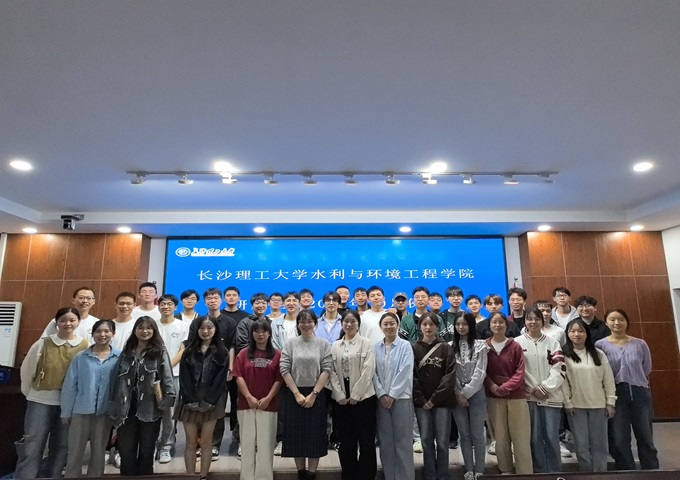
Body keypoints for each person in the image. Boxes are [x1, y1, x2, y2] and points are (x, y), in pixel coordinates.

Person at [16, 307, 89, 479]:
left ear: (78, 322)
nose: (67, 323)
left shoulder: (85, 346)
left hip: (69, 404)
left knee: (62, 445)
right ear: (56, 323)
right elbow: (27, 371)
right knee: (33, 442)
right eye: (63, 320)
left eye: (72, 320)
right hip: (40, 400)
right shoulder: (42, 344)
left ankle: (52, 476)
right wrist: (31, 394)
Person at [109, 316, 176, 476]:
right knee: (126, 452)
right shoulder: (126, 352)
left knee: (147, 451)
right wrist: (112, 405)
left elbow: (167, 377)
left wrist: (168, 399)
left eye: (148, 328)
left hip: (150, 408)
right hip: (126, 409)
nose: (144, 331)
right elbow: (115, 380)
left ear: (154, 331)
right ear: (135, 331)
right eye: (140, 328)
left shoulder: (160, 352)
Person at [595, 309, 659, 470]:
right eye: (612, 319)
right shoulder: (600, 345)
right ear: (606, 322)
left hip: (639, 392)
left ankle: (652, 471)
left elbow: (646, 367)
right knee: (620, 438)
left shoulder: (640, 344)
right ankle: (627, 471)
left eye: (621, 319)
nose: (617, 322)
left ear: (627, 321)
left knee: (645, 436)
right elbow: (600, 372)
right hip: (615, 394)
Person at [61, 319, 120, 478]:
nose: (102, 334)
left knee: (98, 453)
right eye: (98, 331)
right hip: (80, 411)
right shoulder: (81, 357)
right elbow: (70, 385)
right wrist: (66, 412)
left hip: (105, 413)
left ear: (113, 334)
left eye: (106, 331)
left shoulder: (119, 357)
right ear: (93, 334)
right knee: (75, 452)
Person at [280, 309, 332, 480]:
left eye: (309, 321)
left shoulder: (323, 344)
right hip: (294, 394)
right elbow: (284, 368)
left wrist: (314, 394)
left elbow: (327, 369)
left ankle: (311, 474)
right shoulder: (290, 343)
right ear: (298, 324)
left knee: (314, 437)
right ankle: (301, 473)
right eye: (302, 321)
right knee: (297, 437)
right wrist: (296, 394)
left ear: (315, 323)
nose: (306, 324)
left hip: (316, 394)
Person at [187, 287, 238, 461]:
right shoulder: (198, 321)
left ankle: (214, 444)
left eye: (216, 298)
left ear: (221, 300)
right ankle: (199, 443)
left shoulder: (229, 322)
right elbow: (191, 344)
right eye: (209, 298)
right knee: (200, 407)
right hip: (199, 372)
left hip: (222, 369)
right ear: (205, 301)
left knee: (218, 407)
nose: (213, 301)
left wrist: (230, 367)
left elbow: (232, 346)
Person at [176, 316, 229, 480]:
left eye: (209, 328)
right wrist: (190, 400)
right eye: (202, 328)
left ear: (215, 329)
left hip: (211, 401)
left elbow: (220, 380)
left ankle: (203, 476)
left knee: (206, 442)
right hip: (189, 400)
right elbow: (184, 377)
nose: (205, 331)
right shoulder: (188, 351)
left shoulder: (222, 352)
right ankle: (190, 476)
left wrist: (209, 401)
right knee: (191, 441)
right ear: (196, 330)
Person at [515, 307, 566, 473]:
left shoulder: (553, 343)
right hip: (528, 397)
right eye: (529, 318)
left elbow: (559, 368)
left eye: (536, 318)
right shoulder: (517, 343)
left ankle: (555, 472)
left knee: (552, 436)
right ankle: (539, 471)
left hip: (551, 396)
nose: (533, 322)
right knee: (534, 437)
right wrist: (533, 388)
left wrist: (544, 387)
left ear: (542, 320)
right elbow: (518, 369)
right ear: (524, 321)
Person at [329, 310, 377, 480]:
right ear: (342, 324)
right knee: (346, 442)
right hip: (341, 400)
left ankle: (366, 476)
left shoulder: (366, 343)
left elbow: (368, 370)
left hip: (364, 399)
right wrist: (339, 394)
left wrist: (356, 394)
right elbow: (331, 371)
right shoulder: (335, 345)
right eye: (346, 321)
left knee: (366, 441)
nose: (349, 325)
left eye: (353, 321)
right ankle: (349, 475)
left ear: (358, 324)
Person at [562, 318, 616, 472]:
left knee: (600, 444)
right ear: (567, 334)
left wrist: (610, 402)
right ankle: (586, 474)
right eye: (573, 331)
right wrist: (567, 402)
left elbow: (608, 379)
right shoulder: (564, 355)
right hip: (576, 407)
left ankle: (600, 473)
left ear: (587, 333)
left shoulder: (598, 354)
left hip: (599, 406)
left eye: (580, 331)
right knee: (581, 445)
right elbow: (563, 382)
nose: (576, 334)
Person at [233, 319, 283, 480]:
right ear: (252, 334)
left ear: (269, 334)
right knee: (247, 444)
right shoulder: (243, 354)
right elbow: (238, 376)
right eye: (257, 331)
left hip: (269, 405)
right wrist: (248, 396)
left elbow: (279, 379)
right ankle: (247, 477)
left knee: (266, 445)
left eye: (264, 331)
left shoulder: (277, 354)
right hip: (246, 404)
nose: (260, 334)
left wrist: (268, 398)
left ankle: (264, 477)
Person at [484, 312, 533, 474]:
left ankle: (524, 473)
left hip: (516, 397)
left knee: (521, 438)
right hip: (493, 397)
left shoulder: (515, 346)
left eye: (501, 322)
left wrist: (504, 387)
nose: (497, 325)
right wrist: (492, 387)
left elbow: (520, 372)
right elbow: (482, 371)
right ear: (489, 325)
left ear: (506, 325)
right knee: (500, 438)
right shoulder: (484, 347)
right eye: (494, 322)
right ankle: (505, 471)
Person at [413, 312, 456, 480]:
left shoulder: (445, 348)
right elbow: (412, 376)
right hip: (422, 403)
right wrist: (422, 400)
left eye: (431, 324)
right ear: (420, 327)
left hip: (442, 402)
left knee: (443, 442)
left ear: (437, 327)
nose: (428, 327)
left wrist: (434, 399)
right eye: (425, 324)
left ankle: (443, 475)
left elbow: (449, 376)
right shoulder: (414, 348)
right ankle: (430, 474)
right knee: (426, 440)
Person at [374, 312, 415, 480]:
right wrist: (382, 394)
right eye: (385, 324)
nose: (389, 326)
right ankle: (390, 476)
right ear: (380, 327)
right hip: (381, 400)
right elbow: (373, 373)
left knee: (403, 442)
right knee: (385, 442)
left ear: (397, 325)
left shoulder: (405, 345)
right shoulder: (375, 347)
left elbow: (405, 371)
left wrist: (392, 395)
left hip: (401, 398)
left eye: (392, 323)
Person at [451, 313, 488, 480]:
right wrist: (459, 392)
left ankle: (479, 469)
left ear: (471, 325)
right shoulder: (450, 346)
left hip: (476, 393)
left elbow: (480, 372)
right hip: (456, 394)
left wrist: (466, 393)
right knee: (464, 434)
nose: (461, 327)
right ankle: (468, 469)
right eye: (458, 324)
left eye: (464, 324)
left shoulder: (481, 345)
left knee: (477, 433)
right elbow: (450, 372)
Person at [155, 294, 190, 463]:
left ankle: (166, 446)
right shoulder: (152, 324)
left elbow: (183, 350)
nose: (166, 307)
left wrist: (167, 368)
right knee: (152, 411)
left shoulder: (183, 326)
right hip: (153, 374)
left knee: (169, 412)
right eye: (163, 304)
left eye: (169, 304)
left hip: (174, 374)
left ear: (175, 307)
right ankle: (152, 444)